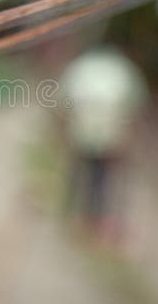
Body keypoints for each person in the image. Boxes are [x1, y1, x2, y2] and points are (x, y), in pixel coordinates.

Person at [59, 46, 148, 242]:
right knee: (99, 179)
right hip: (109, 136)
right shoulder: (124, 70)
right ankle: (87, 218)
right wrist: (128, 136)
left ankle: (74, 215)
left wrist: (64, 125)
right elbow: (134, 105)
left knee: (78, 173)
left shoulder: (82, 66)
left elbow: (64, 97)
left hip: (83, 130)